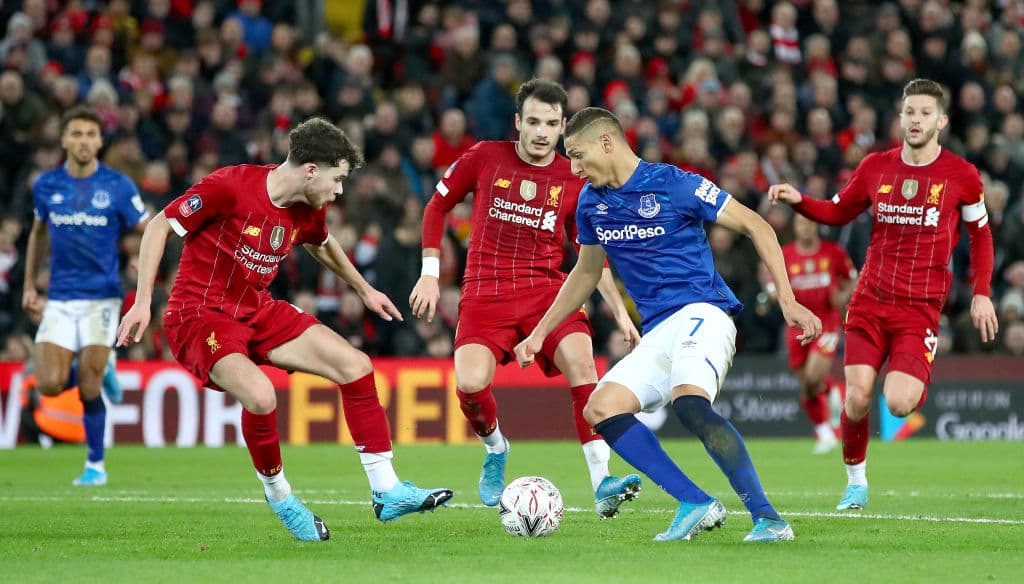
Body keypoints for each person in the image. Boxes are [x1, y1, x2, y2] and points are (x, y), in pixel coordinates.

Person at [117, 118, 453, 542]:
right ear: (311, 170)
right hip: (199, 315)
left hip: (258, 309)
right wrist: (144, 301)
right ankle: (280, 496)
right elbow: (160, 226)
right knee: (260, 396)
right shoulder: (230, 185)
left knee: (356, 365)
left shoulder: (308, 207)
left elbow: (321, 241)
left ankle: (387, 491)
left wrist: (364, 289)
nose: (340, 190)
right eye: (338, 179)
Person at [515, 106, 821, 543]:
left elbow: (757, 225)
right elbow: (585, 273)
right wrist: (539, 333)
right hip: (659, 332)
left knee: (690, 403)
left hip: (704, 313)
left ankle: (768, 519)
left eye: (578, 155)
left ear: (607, 142)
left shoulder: (675, 184)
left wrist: (787, 300)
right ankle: (694, 502)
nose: (575, 168)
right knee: (600, 409)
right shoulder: (591, 203)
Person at [409, 79, 644, 517]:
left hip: (546, 290)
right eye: (533, 121)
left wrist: (619, 310)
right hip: (486, 290)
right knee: (470, 384)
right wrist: (429, 274)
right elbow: (436, 207)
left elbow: (591, 257)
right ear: (518, 122)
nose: (541, 132)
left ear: (562, 129)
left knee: (581, 359)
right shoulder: (484, 157)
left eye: (551, 124)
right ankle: (496, 448)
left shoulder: (574, 180)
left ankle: (602, 481)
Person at [768, 78, 997, 510]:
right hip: (870, 301)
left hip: (919, 310)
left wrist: (981, 292)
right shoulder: (876, 167)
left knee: (898, 402)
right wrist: (800, 200)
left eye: (925, 113)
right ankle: (856, 483)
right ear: (900, 116)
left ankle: (916, 375)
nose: (916, 120)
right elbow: (838, 211)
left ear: (941, 121)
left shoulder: (962, 176)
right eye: (910, 111)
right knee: (856, 397)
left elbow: (981, 236)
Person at [23, 105, 146, 486]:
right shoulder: (46, 186)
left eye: (91, 134)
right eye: (76, 134)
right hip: (59, 298)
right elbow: (38, 234)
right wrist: (29, 285)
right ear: (63, 140)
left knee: (89, 388)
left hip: (103, 297)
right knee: (49, 385)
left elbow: (149, 227)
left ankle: (96, 465)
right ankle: (100, 365)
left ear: (100, 141)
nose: (84, 141)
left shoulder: (118, 186)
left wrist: (143, 262)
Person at [766, 214, 857, 454]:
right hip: (795, 325)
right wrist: (773, 293)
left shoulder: (833, 252)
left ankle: (826, 393)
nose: (804, 228)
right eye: (800, 224)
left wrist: (843, 296)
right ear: (794, 227)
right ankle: (825, 429)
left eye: (808, 223)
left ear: (816, 226)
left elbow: (852, 279)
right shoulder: (785, 254)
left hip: (826, 322)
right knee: (807, 386)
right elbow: (769, 281)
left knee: (813, 377)